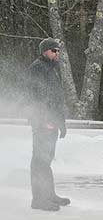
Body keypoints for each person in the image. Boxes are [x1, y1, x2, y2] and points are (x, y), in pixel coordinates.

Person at [25, 38, 68, 210]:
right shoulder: (37, 68)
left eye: (58, 51)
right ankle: (38, 199)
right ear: (45, 51)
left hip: (52, 122)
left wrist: (60, 123)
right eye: (54, 51)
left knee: (46, 160)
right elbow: (35, 97)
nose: (57, 54)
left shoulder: (51, 70)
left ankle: (49, 194)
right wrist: (44, 120)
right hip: (43, 122)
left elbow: (56, 100)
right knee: (40, 160)